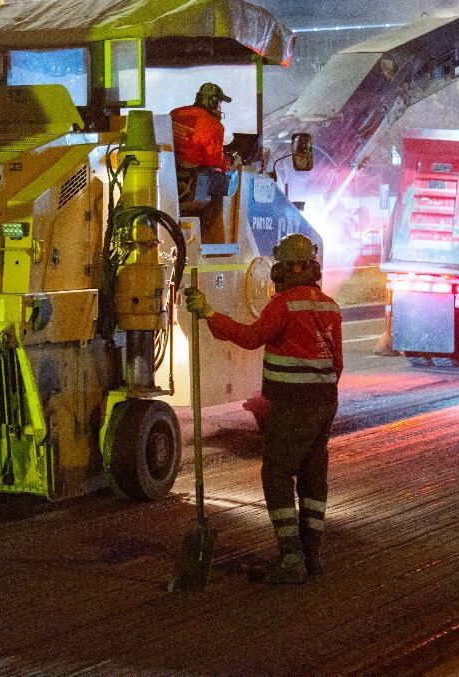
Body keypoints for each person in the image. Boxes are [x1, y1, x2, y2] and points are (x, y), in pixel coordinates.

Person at [184, 233, 342, 584]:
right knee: (313, 476)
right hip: (324, 403)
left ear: (283, 269)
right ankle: (313, 555)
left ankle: (291, 557)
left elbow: (251, 337)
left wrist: (208, 313)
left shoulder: (283, 305)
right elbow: (337, 363)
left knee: (276, 473)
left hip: (292, 405)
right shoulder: (330, 306)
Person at [170, 83, 231, 228]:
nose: (219, 108)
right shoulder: (214, 125)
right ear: (212, 102)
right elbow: (214, 163)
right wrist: (229, 161)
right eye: (219, 103)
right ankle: (210, 230)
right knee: (226, 181)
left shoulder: (175, 113)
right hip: (190, 184)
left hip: (169, 179)